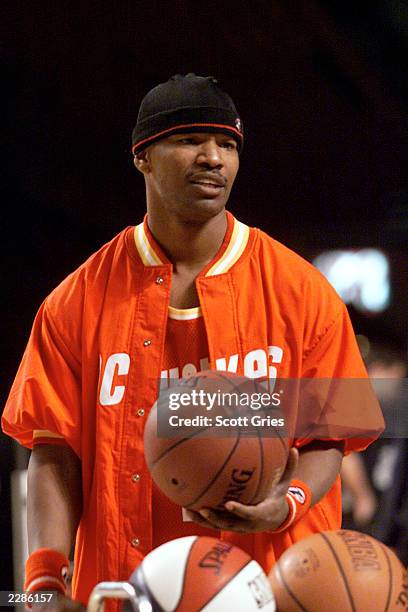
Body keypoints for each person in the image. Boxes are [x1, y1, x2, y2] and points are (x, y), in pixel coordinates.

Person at [2, 74, 384, 610]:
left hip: (271, 583)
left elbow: (331, 437)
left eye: (228, 144)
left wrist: (287, 502)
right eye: (190, 140)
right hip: (125, 586)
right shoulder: (73, 303)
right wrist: (44, 583)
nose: (214, 158)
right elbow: (54, 451)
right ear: (143, 157)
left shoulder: (305, 293)